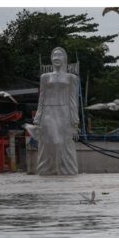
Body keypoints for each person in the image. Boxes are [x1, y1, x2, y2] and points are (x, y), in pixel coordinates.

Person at [33, 47, 79, 175]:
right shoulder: (45, 77)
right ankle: (47, 171)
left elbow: (73, 101)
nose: (57, 58)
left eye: (60, 55)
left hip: (65, 114)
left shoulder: (72, 78)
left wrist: (75, 124)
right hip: (48, 113)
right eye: (54, 55)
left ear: (65, 58)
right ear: (51, 59)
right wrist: (37, 121)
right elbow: (41, 99)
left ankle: (67, 172)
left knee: (66, 145)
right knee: (52, 142)